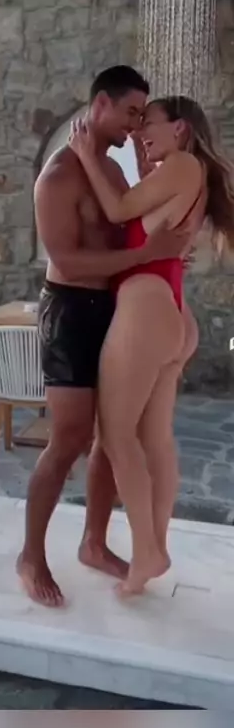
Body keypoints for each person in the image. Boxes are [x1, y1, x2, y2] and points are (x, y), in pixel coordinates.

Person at [16, 66, 190, 607]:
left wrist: (160, 251)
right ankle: (31, 556)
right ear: (100, 106)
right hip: (70, 311)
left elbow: (129, 226)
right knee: (69, 437)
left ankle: (94, 542)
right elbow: (67, 260)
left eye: (143, 115)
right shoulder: (56, 177)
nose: (136, 124)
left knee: (114, 434)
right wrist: (143, 257)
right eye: (131, 113)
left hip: (111, 308)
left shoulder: (110, 169)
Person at [69, 94, 234, 596]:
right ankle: (154, 547)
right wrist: (142, 174)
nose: (140, 132)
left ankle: (148, 551)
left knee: (115, 434)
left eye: (150, 123)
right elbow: (149, 227)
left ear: (179, 128)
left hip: (146, 309)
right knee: (154, 438)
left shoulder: (182, 164)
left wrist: (86, 156)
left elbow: (119, 209)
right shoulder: (184, 172)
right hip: (168, 312)